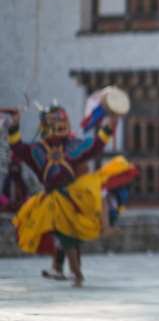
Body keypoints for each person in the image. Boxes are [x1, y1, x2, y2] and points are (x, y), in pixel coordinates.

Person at [7, 105, 136, 287]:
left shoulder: (72, 146)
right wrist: (14, 126)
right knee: (65, 237)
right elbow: (18, 148)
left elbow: (95, 146)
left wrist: (109, 126)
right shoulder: (37, 150)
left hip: (72, 196)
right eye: (54, 122)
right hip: (52, 200)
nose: (58, 126)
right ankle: (72, 273)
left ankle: (74, 273)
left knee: (70, 238)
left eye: (61, 121)